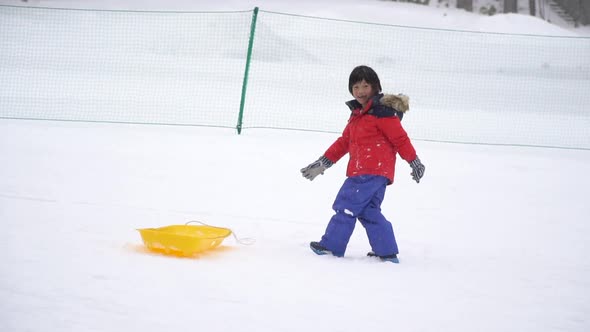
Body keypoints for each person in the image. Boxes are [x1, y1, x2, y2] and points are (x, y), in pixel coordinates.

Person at [300, 65, 425, 263]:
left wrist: (414, 161)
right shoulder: (358, 115)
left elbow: (400, 139)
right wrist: (323, 163)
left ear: (375, 87)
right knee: (369, 211)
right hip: (374, 172)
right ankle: (387, 252)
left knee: (346, 205)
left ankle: (331, 246)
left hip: (368, 171)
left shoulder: (382, 113)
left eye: (365, 86)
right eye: (356, 87)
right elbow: (344, 142)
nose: (360, 91)